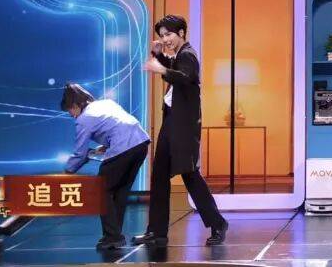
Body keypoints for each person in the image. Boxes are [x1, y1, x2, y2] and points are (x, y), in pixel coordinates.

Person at [133, 15, 228, 247]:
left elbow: (185, 77)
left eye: (169, 35)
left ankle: (217, 223)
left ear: (182, 33)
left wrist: (159, 67)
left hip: (183, 126)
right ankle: (156, 231)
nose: (165, 39)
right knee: (159, 175)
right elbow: (173, 69)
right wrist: (158, 56)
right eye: (162, 35)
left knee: (189, 174)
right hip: (171, 122)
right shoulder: (179, 55)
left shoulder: (188, 54)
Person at [61, 83, 150, 250]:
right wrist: (106, 145)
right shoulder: (106, 103)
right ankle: (114, 235)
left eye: (70, 110)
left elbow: (80, 153)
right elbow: (119, 124)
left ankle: (113, 236)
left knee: (101, 189)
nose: (71, 114)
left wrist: (68, 171)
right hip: (141, 143)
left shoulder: (83, 119)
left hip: (123, 147)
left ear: (76, 105)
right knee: (120, 191)